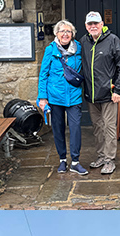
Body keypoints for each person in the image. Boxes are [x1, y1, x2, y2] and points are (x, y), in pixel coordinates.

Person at [81, 11, 120, 174]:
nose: (93, 26)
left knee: (109, 126)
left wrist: (119, 90)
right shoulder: (84, 42)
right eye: (90, 24)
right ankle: (101, 156)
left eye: (96, 23)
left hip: (109, 94)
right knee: (97, 127)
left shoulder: (112, 40)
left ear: (102, 24)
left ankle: (110, 159)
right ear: (86, 26)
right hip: (91, 94)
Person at [38, 20, 88, 176]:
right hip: (54, 97)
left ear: (72, 34)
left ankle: (75, 162)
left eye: (68, 31)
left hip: (73, 96)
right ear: (56, 34)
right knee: (58, 129)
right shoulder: (50, 50)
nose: (65, 34)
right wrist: (42, 97)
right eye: (62, 31)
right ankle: (62, 160)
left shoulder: (79, 48)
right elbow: (43, 74)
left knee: (75, 129)